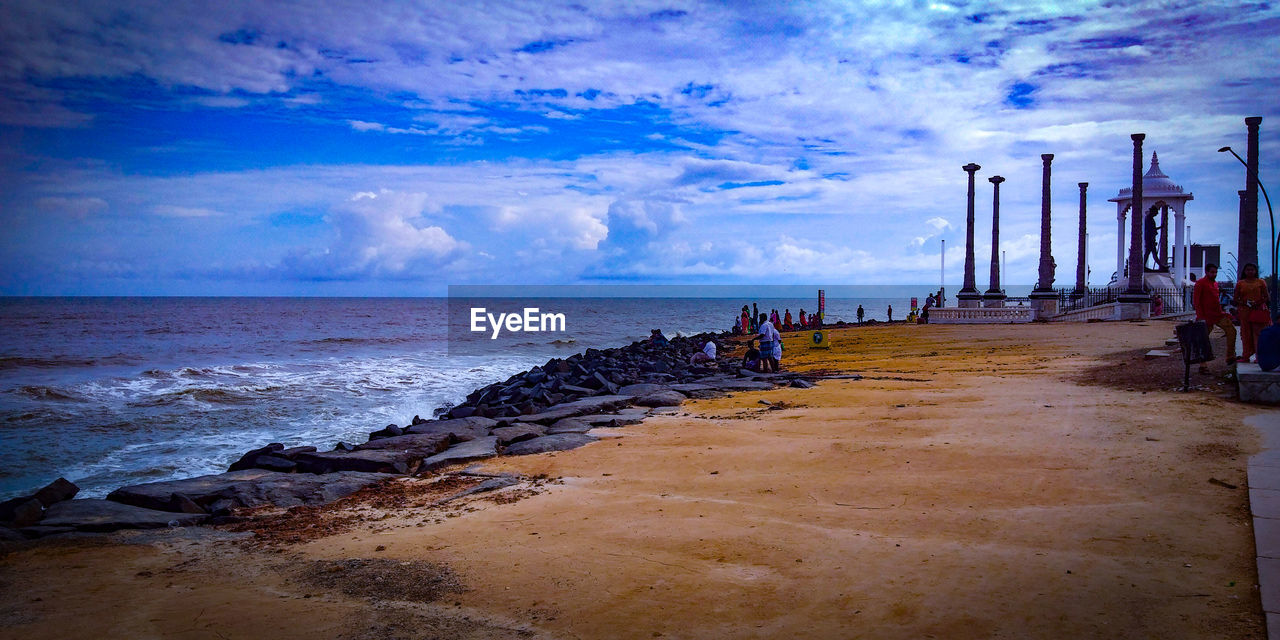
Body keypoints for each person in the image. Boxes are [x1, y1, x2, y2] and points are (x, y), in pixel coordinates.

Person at [1192, 262, 1237, 373]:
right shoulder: (1200, 283)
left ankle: (1230, 356)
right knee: (1203, 340)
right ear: (1207, 272)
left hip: (1217, 315)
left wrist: (1223, 313)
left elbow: (1216, 301)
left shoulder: (1215, 284)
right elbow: (1196, 301)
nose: (1214, 274)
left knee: (1231, 331)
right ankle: (1203, 365)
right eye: (1212, 272)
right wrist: (1200, 316)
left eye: (1216, 272)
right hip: (1205, 316)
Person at [1235, 263, 1272, 364]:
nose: (1250, 272)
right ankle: (1246, 355)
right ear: (1244, 271)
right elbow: (1236, 298)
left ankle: (1259, 356)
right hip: (1244, 311)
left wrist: (1257, 303)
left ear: (1255, 271)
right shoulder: (1240, 283)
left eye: (1252, 270)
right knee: (1245, 334)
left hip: (1258, 311)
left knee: (1258, 334)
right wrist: (1245, 302)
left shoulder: (1261, 282)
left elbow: (1267, 297)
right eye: (1248, 270)